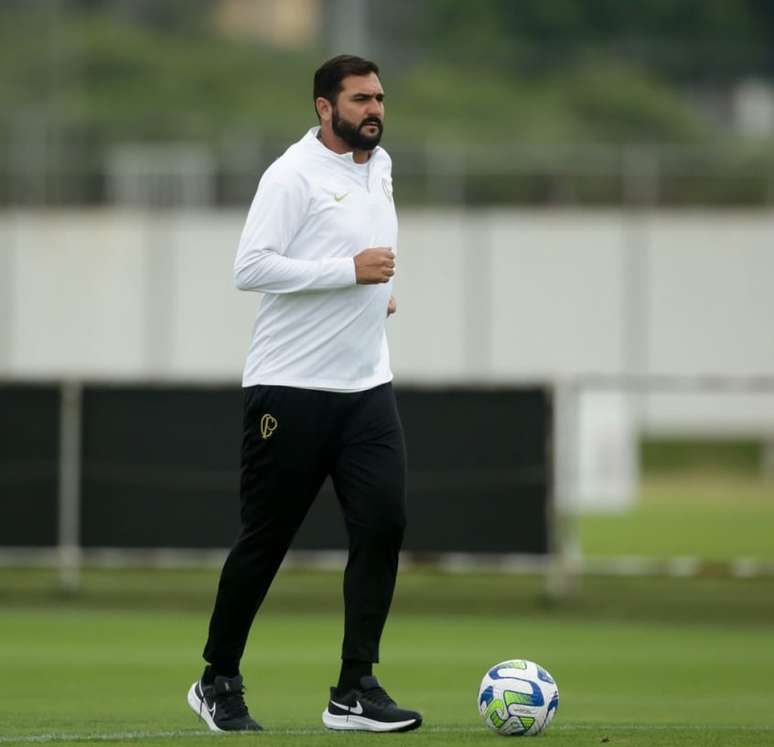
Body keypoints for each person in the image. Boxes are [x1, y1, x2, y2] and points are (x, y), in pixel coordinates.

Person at [186, 55, 422, 734]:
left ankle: (354, 687)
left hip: (366, 387)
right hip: (288, 389)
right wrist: (348, 272)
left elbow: (356, 253)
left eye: (379, 96)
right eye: (360, 99)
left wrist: (373, 297)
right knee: (266, 539)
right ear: (325, 107)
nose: (374, 108)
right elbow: (251, 267)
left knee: (383, 525)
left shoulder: (379, 165)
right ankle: (217, 678)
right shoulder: (290, 175)